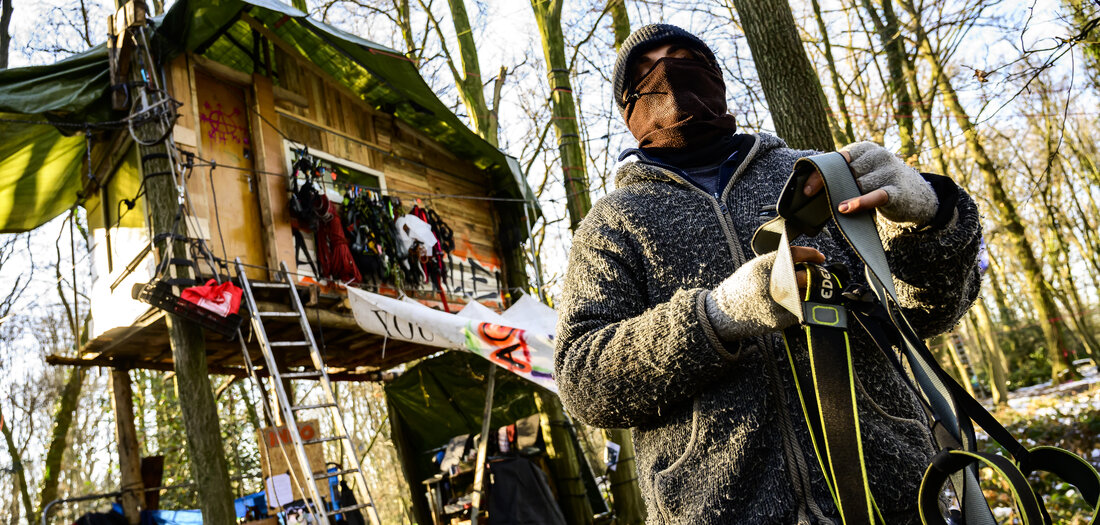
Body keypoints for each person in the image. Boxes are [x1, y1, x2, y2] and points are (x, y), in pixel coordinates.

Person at [555, 24, 982, 524]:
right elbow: (583, 382)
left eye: (686, 57)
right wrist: (718, 315)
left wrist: (934, 215)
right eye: (650, 71)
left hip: (896, 497)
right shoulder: (611, 224)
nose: (670, 73)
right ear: (629, 106)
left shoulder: (816, 175)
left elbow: (928, 313)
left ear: (716, 78)